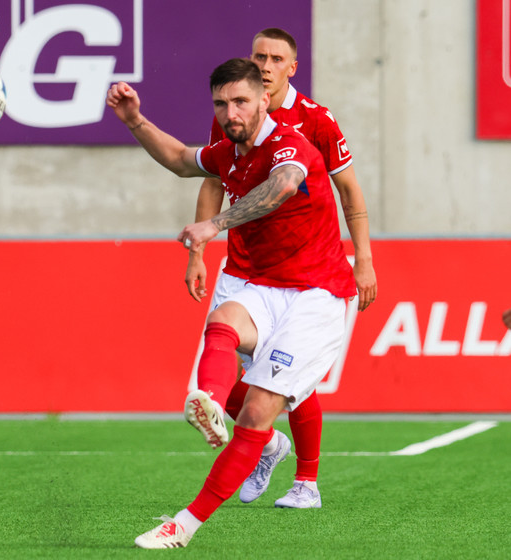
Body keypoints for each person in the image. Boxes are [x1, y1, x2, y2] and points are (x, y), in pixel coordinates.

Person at [106, 58, 356, 548]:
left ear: (265, 100)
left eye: (241, 101)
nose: (230, 112)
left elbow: (283, 186)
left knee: (259, 411)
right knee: (221, 322)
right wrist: (135, 120)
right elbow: (180, 158)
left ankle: (184, 525)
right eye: (221, 103)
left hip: (317, 295)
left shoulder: (290, 145)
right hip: (265, 285)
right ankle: (210, 404)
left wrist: (214, 225)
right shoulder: (228, 152)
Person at [185, 28, 378, 509]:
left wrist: (364, 259)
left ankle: (306, 481)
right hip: (244, 266)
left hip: (302, 271)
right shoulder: (235, 110)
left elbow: (349, 190)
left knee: (282, 376)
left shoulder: (316, 120)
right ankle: (270, 445)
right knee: (224, 377)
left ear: (292, 67)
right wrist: (198, 252)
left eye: (275, 59)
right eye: (259, 56)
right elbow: (213, 179)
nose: (265, 65)